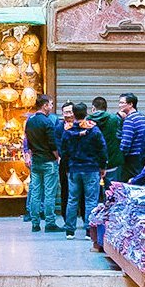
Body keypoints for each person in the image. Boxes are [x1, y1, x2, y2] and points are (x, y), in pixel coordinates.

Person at [60, 102, 107, 238]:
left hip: (74, 169)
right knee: (91, 200)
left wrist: (67, 167)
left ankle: (70, 231)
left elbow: (64, 151)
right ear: (86, 113)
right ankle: (89, 231)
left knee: (72, 199)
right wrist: (102, 166)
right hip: (91, 169)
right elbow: (102, 148)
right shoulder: (94, 129)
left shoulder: (67, 131)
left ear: (73, 114)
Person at [23, 94, 61, 232]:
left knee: (35, 193)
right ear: (45, 106)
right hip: (48, 161)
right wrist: (57, 157)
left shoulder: (30, 121)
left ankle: (35, 223)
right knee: (49, 194)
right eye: (50, 104)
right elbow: (52, 144)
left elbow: (28, 141)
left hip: (36, 161)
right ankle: (50, 223)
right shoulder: (48, 122)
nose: (51, 107)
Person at [119, 92, 145, 181]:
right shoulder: (142, 117)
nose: (119, 105)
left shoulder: (129, 120)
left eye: (122, 103)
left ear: (130, 104)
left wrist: (120, 156)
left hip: (131, 159)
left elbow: (126, 142)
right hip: (142, 156)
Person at [89, 96, 124, 187]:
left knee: (93, 191)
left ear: (93, 108)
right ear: (106, 108)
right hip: (113, 161)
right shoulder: (114, 119)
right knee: (113, 190)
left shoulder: (88, 121)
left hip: (93, 163)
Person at [57, 101, 76, 216]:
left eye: (70, 112)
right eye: (66, 112)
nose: (68, 115)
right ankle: (66, 216)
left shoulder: (81, 125)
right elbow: (58, 145)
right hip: (65, 164)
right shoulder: (59, 128)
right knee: (65, 191)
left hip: (79, 164)